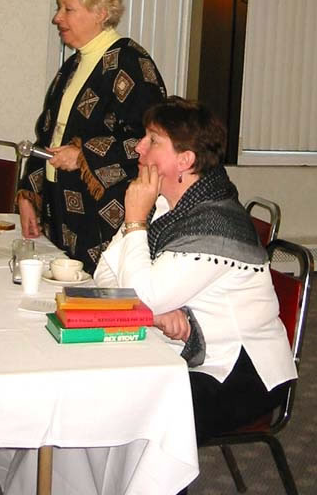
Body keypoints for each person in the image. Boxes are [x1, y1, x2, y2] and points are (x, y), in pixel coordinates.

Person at [94, 96, 297, 445]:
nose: (138, 147)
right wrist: (156, 313)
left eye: (153, 140)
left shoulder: (215, 223)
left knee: (127, 408)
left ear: (184, 160)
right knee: (98, 385)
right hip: (185, 350)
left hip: (242, 373)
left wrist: (134, 221)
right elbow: (104, 275)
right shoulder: (163, 203)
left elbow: (141, 295)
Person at [17, 0, 166, 274]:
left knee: (96, 297)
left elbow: (151, 142)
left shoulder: (131, 62)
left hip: (105, 221)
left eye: (68, 9)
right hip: (61, 212)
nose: (57, 18)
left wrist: (83, 154)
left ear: (100, 13)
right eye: (59, 8)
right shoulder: (72, 65)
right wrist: (28, 195)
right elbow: (48, 135)